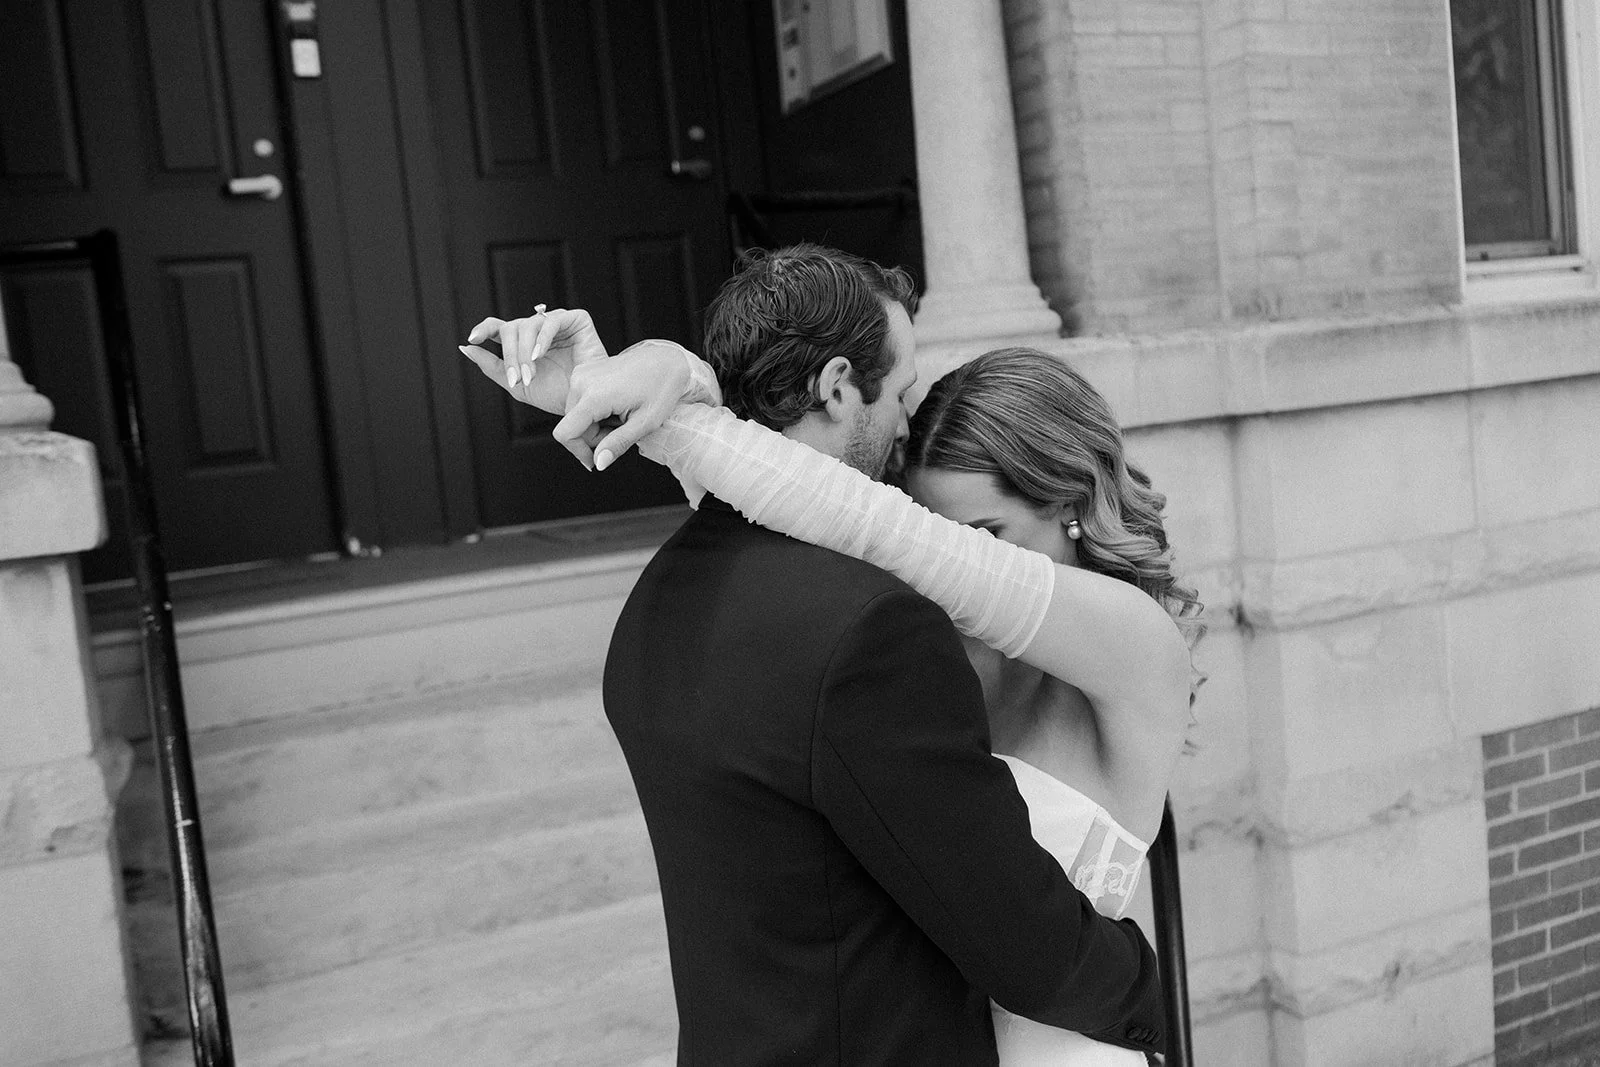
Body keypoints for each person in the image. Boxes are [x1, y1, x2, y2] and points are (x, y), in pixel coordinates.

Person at [461, 245, 1187, 1064]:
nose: (906, 417)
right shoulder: (888, 638)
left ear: (1069, 501)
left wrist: (685, 407)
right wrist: (674, 399)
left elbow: (880, 531)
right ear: (840, 385)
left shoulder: (663, 606)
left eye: (984, 535)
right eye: (902, 390)